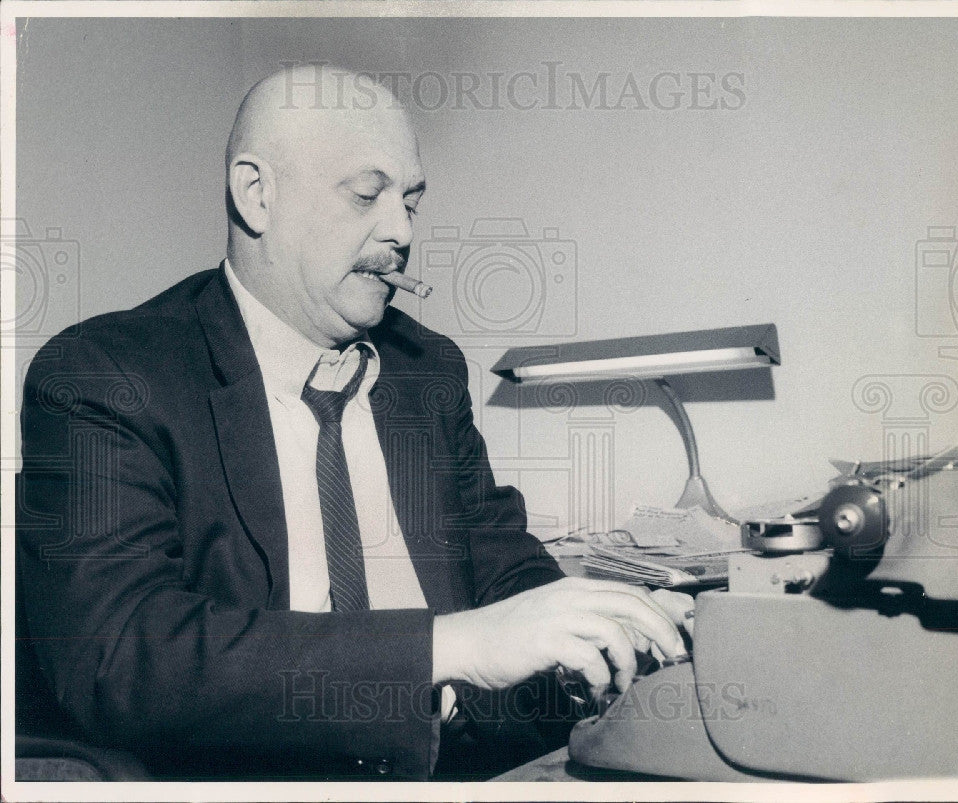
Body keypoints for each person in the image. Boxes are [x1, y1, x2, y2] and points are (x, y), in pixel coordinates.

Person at [17, 65, 693, 781]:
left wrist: (598, 623)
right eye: (367, 194)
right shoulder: (104, 375)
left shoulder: (427, 367)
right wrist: (446, 646)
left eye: (411, 201)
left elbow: (502, 565)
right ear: (257, 194)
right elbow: (117, 652)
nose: (400, 231)